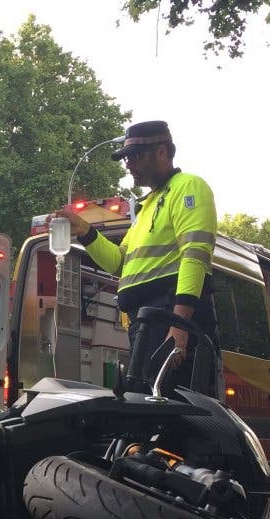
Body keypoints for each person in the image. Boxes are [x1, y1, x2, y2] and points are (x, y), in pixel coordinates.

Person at [54, 120, 217, 389]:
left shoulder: (188, 187)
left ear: (162, 152)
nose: (128, 164)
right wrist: (84, 230)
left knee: (170, 407)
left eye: (134, 156)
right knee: (147, 403)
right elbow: (118, 262)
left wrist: (179, 325)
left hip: (169, 316)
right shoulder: (149, 205)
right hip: (147, 321)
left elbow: (195, 256)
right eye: (125, 158)